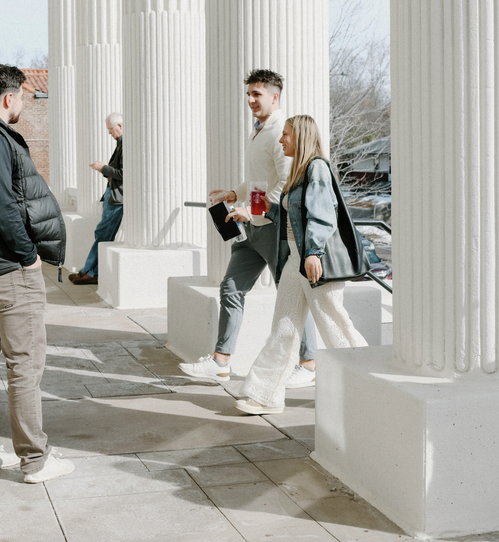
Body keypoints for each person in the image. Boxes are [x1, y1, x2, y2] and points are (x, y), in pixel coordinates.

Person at [178, 69, 317, 385]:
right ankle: (221, 361)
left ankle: (309, 364)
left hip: (274, 228)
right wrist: (234, 194)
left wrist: (252, 209)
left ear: (274, 96)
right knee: (231, 287)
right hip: (254, 228)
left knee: (291, 294)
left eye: (258, 94)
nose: (251, 100)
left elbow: (285, 181)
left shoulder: (281, 129)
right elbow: (260, 178)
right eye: (249, 94)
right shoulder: (259, 131)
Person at [235, 115, 368, 415]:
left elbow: (323, 214)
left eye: (286, 135)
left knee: (334, 323)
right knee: (284, 326)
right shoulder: (296, 173)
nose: (281, 140)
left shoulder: (316, 167)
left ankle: (369, 383)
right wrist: (253, 207)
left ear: (301, 137)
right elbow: (286, 216)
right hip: (295, 258)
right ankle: (264, 394)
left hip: (312, 259)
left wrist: (313, 252)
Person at [0, 64, 74, 482]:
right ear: (9, 97)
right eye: (23, 98)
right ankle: (35, 460)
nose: (23, 105)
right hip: (10, 270)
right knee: (25, 367)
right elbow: (5, 208)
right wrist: (28, 255)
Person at [69, 112, 124, 285]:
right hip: (113, 195)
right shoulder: (120, 145)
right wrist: (104, 169)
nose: (109, 133)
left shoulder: (125, 145)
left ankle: (89, 272)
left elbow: (124, 174)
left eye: (110, 129)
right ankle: (90, 271)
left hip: (117, 198)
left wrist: (103, 168)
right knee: (102, 233)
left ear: (120, 126)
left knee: (102, 233)